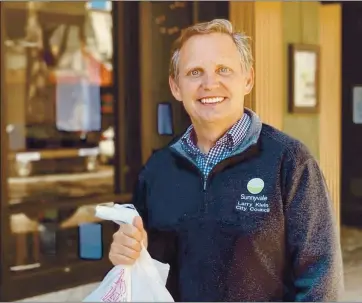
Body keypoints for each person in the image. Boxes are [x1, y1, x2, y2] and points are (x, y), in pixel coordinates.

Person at [108, 19, 344, 302]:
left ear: (248, 79)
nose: (210, 83)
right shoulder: (158, 169)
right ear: (176, 86)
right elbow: (145, 271)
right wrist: (127, 253)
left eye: (224, 70)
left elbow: (320, 279)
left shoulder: (290, 162)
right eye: (195, 72)